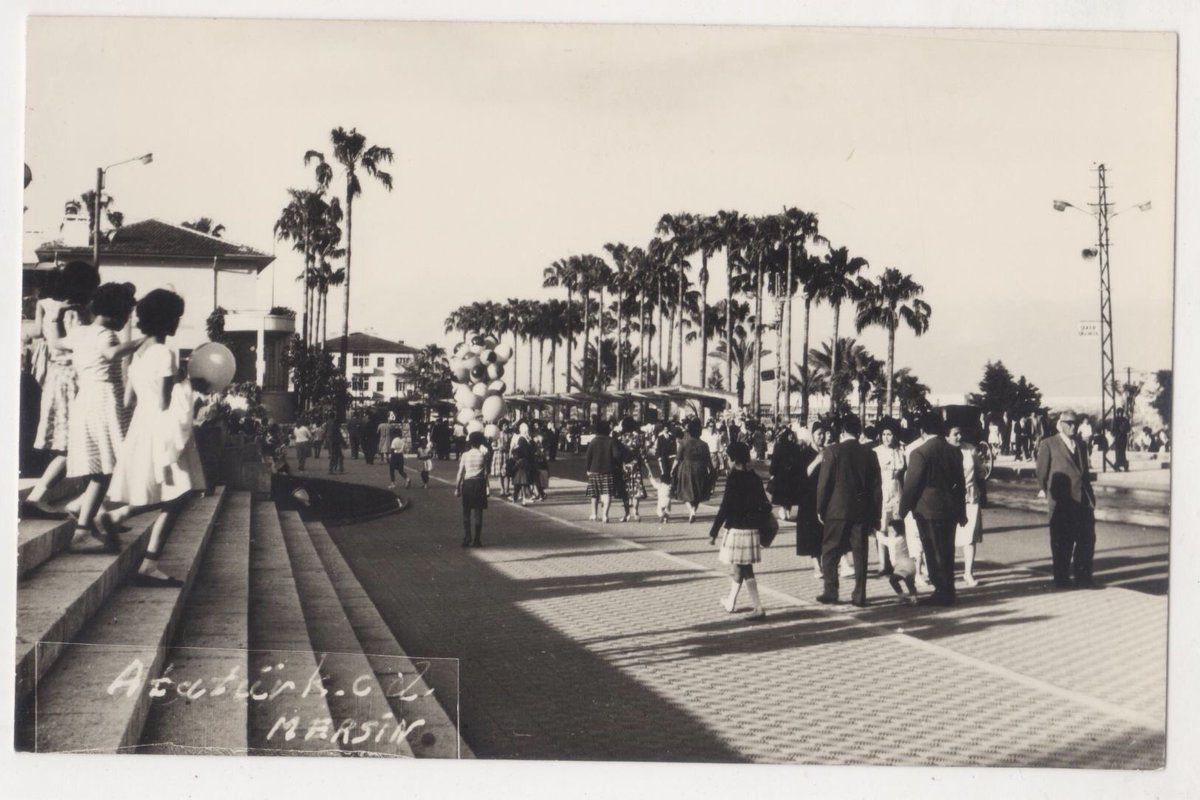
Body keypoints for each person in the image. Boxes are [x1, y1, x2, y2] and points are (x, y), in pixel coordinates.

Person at [96, 289, 207, 585]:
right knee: (178, 495)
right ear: (165, 319)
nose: (177, 322)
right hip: (163, 430)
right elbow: (165, 402)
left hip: (142, 425)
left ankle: (121, 520)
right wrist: (190, 385)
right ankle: (148, 562)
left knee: (168, 493)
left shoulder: (138, 354)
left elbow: (129, 399)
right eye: (176, 317)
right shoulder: (165, 353)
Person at [60, 282, 144, 552]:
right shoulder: (107, 335)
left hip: (85, 400)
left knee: (101, 466)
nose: (126, 321)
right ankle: (82, 531)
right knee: (107, 469)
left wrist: (54, 316)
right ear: (116, 313)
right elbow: (111, 354)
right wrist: (143, 340)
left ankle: (82, 508)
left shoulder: (79, 332)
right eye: (126, 315)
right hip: (105, 401)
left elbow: (56, 343)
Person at [20, 261, 101, 520]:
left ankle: (84, 505)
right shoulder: (79, 311)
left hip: (54, 378)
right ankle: (37, 497)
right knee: (74, 444)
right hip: (72, 378)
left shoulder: (45, 304)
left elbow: (34, 332)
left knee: (71, 444)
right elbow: (76, 343)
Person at [898, 414, 967, 606]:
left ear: (922, 431)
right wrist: (962, 512)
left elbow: (912, 486)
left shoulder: (919, 453)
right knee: (947, 550)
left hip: (927, 509)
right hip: (950, 508)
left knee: (933, 550)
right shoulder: (954, 452)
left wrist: (902, 511)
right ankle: (949, 589)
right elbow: (960, 484)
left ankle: (941, 592)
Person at [814, 416, 881, 607]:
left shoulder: (833, 451)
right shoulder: (869, 454)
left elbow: (824, 484)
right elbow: (876, 488)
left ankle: (831, 591)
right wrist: (876, 515)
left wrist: (820, 508)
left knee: (830, 551)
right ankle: (860, 594)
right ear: (859, 431)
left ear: (842, 431)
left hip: (836, 511)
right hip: (861, 512)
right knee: (860, 553)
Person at [1035, 410, 1098, 589]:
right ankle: (1062, 579)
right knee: (1063, 543)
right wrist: (1051, 493)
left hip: (1083, 501)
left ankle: (1083, 577)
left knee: (1087, 540)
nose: (1072, 426)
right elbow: (1041, 474)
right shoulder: (1048, 444)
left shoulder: (1081, 445)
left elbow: (1084, 474)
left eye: (1075, 423)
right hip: (1062, 503)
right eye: (1069, 423)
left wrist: (1090, 498)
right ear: (1060, 424)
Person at [708, 442, 771, 621]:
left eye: (728, 458)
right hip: (751, 530)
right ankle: (731, 601)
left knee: (743, 569)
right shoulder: (755, 477)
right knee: (741, 568)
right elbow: (765, 505)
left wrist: (714, 531)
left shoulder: (733, 478)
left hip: (736, 530)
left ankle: (757, 607)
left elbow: (725, 507)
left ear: (733, 459)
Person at [949, 424, 984, 587]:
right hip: (949, 497)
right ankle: (947, 573)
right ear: (947, 435)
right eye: (955, 434)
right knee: (948, 537)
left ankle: (968, 573)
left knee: (969, 537)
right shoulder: (942, 450)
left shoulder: (970, 450)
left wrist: (981, 492)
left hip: (970, 496)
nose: (959, 437)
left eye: (960, 433)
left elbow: (980, 472)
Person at [873, 419, 907, 578]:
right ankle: (882, 563)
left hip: (897, 491)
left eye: (890, 434)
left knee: (896, 527)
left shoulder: (901, 450)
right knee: (882, 528)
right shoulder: (876, 452)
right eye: (884, 434)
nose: (886, 437)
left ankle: (895, 562)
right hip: (882, 491)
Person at [794, 423, 826, 578]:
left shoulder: (828, 451)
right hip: (809, 497)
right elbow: (802, 474)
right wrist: (817, 461)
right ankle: (817, 566)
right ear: (812, 435)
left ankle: (823, 564)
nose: (822, 437)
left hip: (824, 497)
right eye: (819, 434)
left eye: (824, 434)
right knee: (812, 532)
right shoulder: (805, 453)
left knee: (824, 532)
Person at [672, 417, 714, 524]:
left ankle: (691, 511)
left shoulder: (684, 443)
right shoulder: (704, 445)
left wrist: (672, 470)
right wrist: (712, 471)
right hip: (701, 469)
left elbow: (677, 459)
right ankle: (694, 510)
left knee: (684, 492)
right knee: (698, 492)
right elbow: (708, 461)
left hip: (686, 468)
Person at [454, 431, 491, 547]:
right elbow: (486, 473)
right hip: (479, 483)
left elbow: (460, 472)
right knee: (478, 512)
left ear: (470, 442)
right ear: (480, 442)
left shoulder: (465, 455)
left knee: (466, 511)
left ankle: (467, 536)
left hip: (468, 484)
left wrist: (457, 488)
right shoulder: (483, 455)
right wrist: (488, 487)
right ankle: (477, 539)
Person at [584, 419, 620, 523]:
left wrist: (588, 469)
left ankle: (594, 514)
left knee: (594, 494)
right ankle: (605, 515)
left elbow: (588, 457)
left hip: (594, 470)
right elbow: (617, 455)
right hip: (608, 470)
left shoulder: (594, 441)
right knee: (607, 493)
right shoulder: (611, 441)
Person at [768, 428, 804, 522]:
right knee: (787, 496)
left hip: (785, 475)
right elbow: (799, 461)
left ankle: (785, 511)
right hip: (788, 476)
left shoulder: (781, 446)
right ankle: (786, 511)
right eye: (789, 435)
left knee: (785, 496)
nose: (791, 436)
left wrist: (772, 472)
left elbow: (775, 461)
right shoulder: (792, 447)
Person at [618, 420, 648, 522]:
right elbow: (643, 453)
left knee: (625, 490)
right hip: (635, 466)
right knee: (636, 489)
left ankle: (627, 513)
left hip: (624, 467)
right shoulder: (638, 438)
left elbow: (618, 453)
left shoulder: (621, 438)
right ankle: (636, 511)